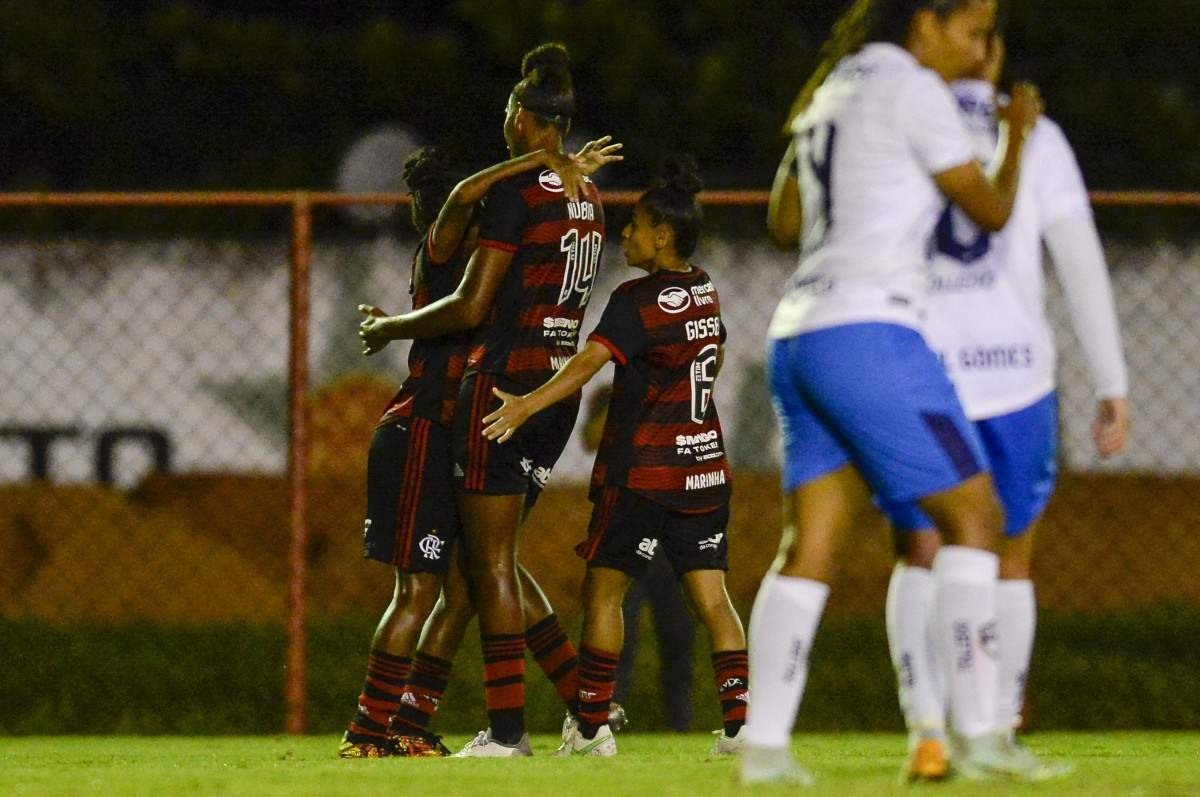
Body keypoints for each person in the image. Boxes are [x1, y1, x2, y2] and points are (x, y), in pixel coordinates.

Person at [743, 0, 1046, 785]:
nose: (982, 50)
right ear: (925, 27)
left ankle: (764, 748)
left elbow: (784, 221)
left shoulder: (833, 88)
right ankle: (980, 737)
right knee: (976, 517)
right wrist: (1015, 136)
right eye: (972, 31)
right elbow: (992, 209)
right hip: (872, 332)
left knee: (807, 546)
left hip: (799, 332)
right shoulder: (915, 90)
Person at [880, 33, 1128, 778]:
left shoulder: (896, 122)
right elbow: (1079, 260)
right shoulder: (1035, 136)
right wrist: (1111, 381)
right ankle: (989, 726)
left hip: (929, 374)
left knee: (926, 547)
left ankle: (936, 725)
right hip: (1012, 378)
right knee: (1006, 555)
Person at [340, 129, 620, 758]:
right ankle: (367, 733)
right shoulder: (445, 252)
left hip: (462, 429)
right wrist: (543, 159)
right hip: (422, 429)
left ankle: (419, 723)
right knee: (423, 589)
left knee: (483, 577)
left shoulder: (498, 269)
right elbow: (467, 206)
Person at [482, 157, 749, 758]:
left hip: (644, 473)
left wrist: (526, 404)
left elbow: (586, 363)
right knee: (713, 598)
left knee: (602, 594)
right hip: (704, 469)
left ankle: (593, 726)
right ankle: (741, 726)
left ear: (662, 236)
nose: (623, 234)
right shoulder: (704, 288)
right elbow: (717, 354)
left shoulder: (636, 299)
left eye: (634, 226)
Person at [584, 387, 698, 734]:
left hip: (671, 525)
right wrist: (628, 400)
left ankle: (682, 723)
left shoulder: (681, 387)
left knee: (678, 630)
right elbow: (591, 438)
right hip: (627, 518)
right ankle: (607, 717)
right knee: (622, 625)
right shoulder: (611, 392)